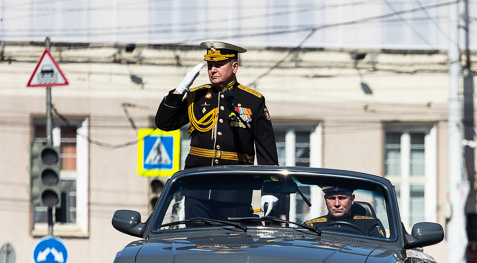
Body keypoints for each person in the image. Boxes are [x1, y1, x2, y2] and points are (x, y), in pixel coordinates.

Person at [155, 40, 279, 169]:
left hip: (235, 180)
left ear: (234, 67)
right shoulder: (197, 96)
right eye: (210, 65)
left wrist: (271, 183)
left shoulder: (253, 100)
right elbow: (164, 123)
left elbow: (266, 147)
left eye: (219, 65)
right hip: (198, 177)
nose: (213, 70)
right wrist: (179, 91)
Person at [305, 186, 385, 237]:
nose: (337, 204)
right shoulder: (311, 226)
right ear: (325, 199)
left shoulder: (369, 225)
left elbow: (381, 251)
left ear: (352, 199)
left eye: (342, 198)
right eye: (332, 198)